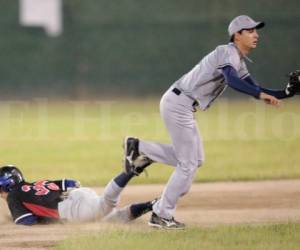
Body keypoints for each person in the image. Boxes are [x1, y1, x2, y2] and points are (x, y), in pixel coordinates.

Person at [123, 15, 299, 229]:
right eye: (250, 30)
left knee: (194, 160)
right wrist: (260, 95)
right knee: (187, 164)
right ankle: (161, 214)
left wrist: (287, 93)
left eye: (256, 30)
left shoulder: (238, 60)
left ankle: (140, 148)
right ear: (237, 35)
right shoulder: (226, 52)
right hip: (179, 102)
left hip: (182, 103)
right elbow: (233, 81)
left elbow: (256, 89)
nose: (256, 34)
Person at [0, 161, 154, 225]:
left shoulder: (13, 196)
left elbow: (26, 222)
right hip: (79, 195)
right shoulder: (36, 184)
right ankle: (154, 204)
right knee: (115, 218)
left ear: (8, 185)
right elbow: (72, 183)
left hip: (74, 209)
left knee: (107, 202)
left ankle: (132, 170)